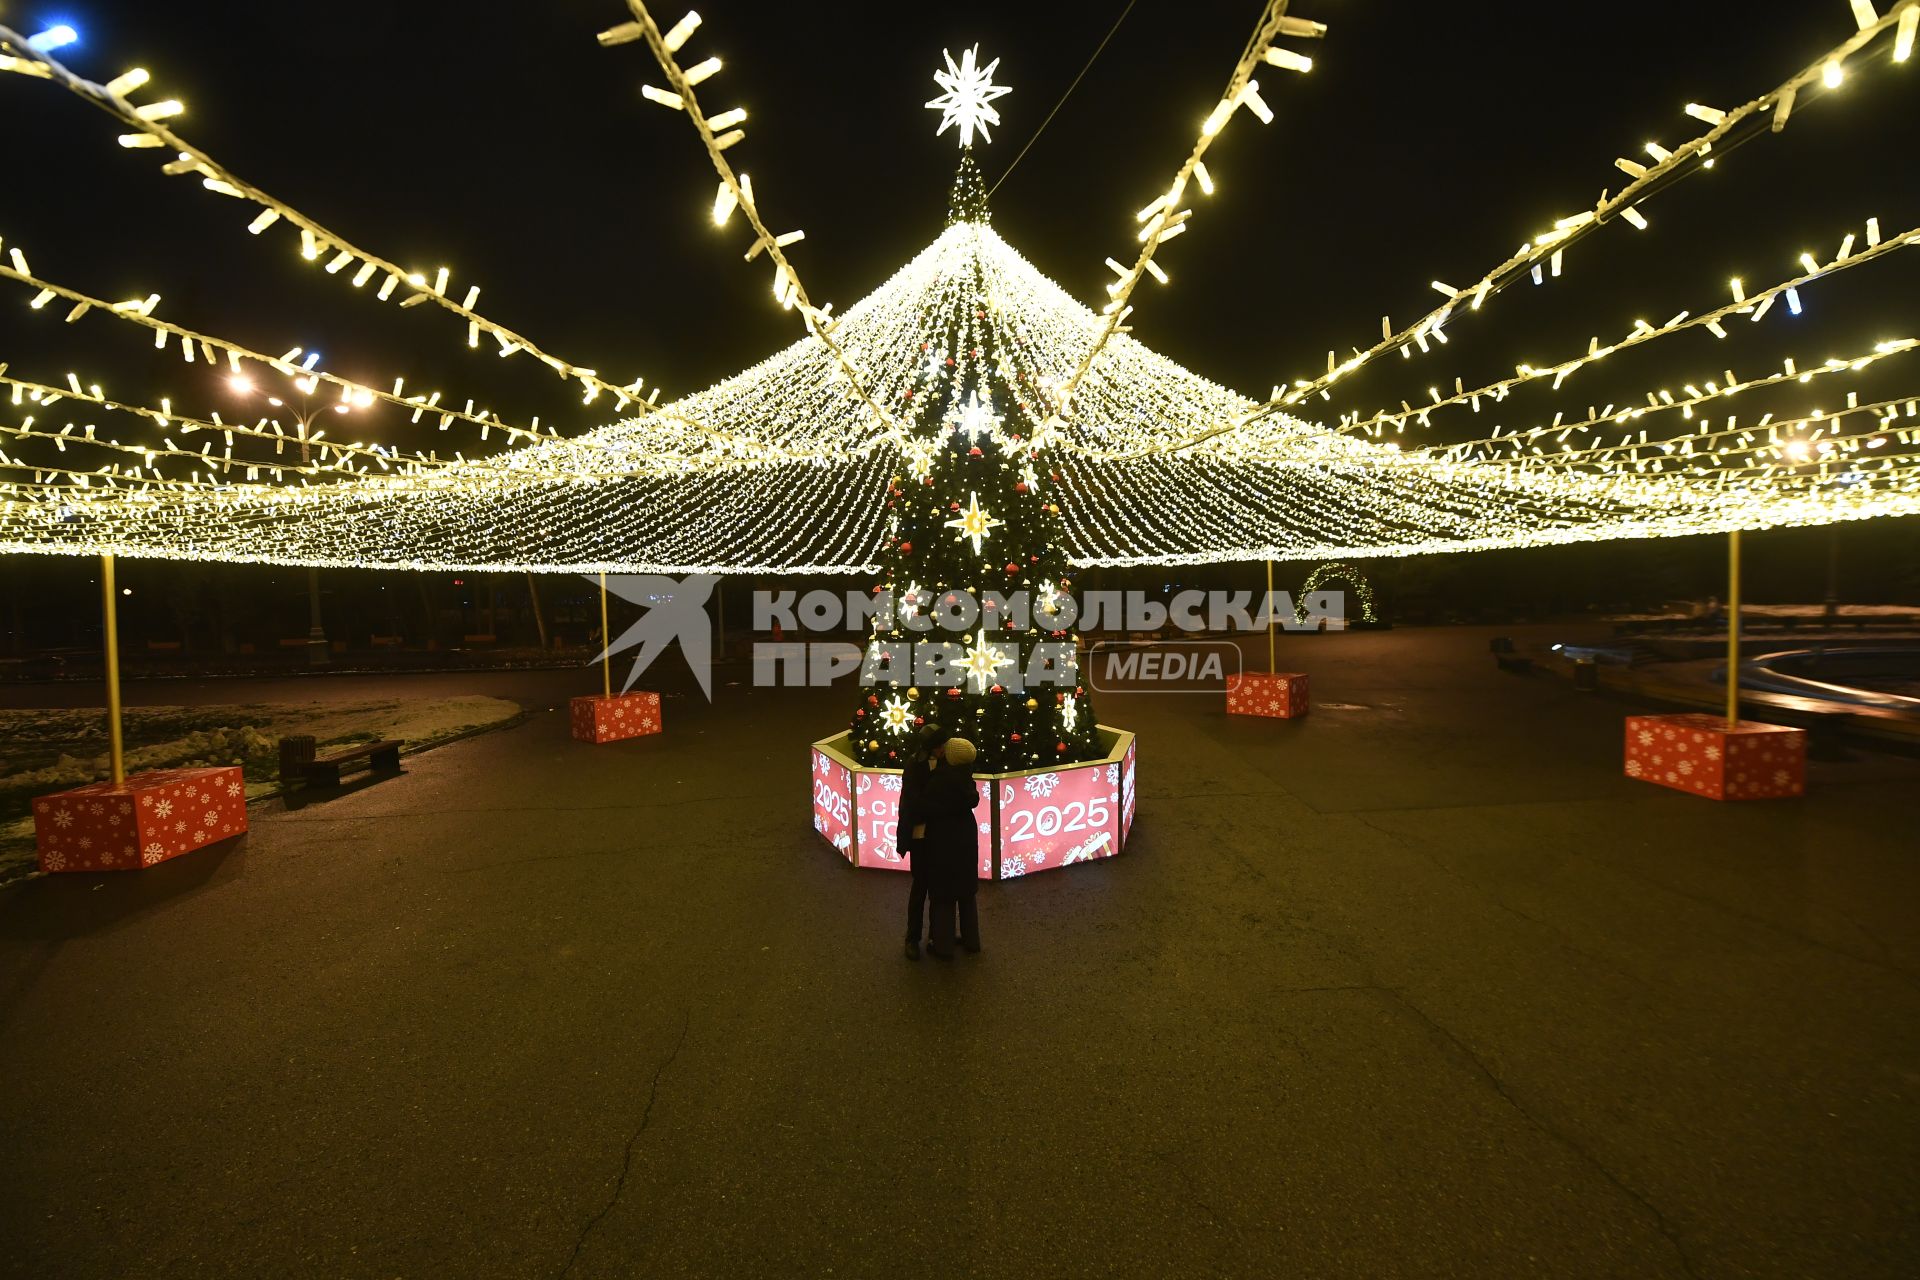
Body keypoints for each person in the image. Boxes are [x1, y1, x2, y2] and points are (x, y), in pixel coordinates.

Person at [917, 736, 982, 960]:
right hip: (965, 835)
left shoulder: (940, 779)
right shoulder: (967, 777)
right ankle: (972, 940)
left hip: (943, 839)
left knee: (943, 894)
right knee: (966, 892)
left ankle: (943, 946)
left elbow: (925, 807)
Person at [898, 724, 949, 961]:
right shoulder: (915, 765)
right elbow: (913, 802)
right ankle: (912, 938)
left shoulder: (945, 762)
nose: (944, 749)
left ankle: (935, 936)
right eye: (940, 745)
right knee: (920, 888)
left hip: (939, 835)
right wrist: (939, 809)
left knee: (938, 888)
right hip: (920, 835)